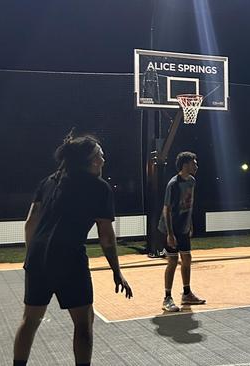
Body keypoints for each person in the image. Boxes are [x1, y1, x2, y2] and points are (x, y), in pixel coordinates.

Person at [13, 131, 132, 366]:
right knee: (84, 322)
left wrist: (33, 256)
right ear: (92, 160)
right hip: (68, 259)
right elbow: (106, 237)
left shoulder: (49, 181)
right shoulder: (99, 188)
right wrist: (116, 271)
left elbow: (31, 222)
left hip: (37, 258)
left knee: (30, 320)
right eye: (100, 155)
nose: (104, 159)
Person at [158, 151, 206, 312]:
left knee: (187, 258)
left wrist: (190, 223)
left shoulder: (192, 181)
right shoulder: (174, 184)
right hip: (170, 228)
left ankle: (186, 293)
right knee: (172, 261)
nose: (196, 165)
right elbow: (167, 210)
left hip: (183, 227)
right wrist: (170, 234)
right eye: (194, 163)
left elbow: (189, 205)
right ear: (185, 165)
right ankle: (167, 298)